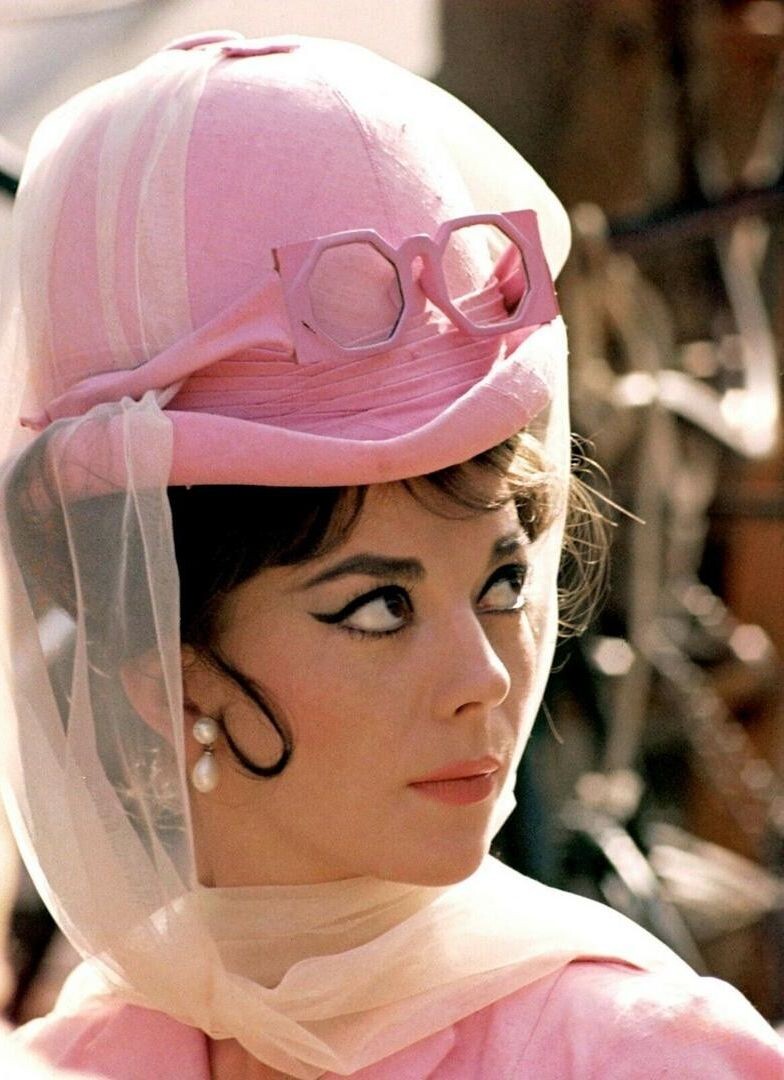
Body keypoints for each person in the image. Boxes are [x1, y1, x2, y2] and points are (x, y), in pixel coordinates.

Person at [0, 30, 780, 1080]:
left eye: (503, 581)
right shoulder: (85, 1062)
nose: (486, 678)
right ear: (158, 666)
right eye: (377, 608)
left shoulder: (640, 1057)